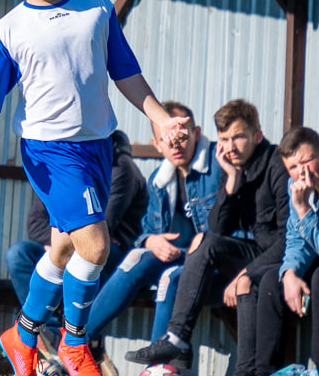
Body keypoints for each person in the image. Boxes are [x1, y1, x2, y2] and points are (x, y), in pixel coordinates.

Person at [0, 0, 186, 376]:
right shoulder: (6, 33)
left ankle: (22, 337)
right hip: (50, 152)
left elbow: (124, 71)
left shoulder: (96, 7)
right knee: (95, 244)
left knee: (64, 248)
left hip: (99, 148)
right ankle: (73, 343)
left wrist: (159, 117)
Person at [125, 99, 289, 374]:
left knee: (242, 279)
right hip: (253, 252)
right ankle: (176, 337)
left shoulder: (276, 166)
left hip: (277, 259)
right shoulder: (236, 167)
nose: (230, 146)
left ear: (257, 136)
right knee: (205, 241)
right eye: (225, 139)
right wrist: (232, 180)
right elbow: (218, 229)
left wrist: (245, 273)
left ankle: (246, 375)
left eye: (239, 137)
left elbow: (287, 239)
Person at [84, 101, 221, 350]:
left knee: (170, 277)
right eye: (166, 139)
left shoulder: (217, 166)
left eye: (180, 136)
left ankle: (158, 367)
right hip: (178, 256)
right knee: (138, 255)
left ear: (197, 133)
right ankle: (75, 341)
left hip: (213, 262)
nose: (174, 145)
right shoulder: (159, 180)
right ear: (156, 144)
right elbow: (146, 227)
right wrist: (150, 240)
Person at [5, 130, 147, 306]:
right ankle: (49, 329)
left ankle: (79, 329)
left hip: (109, 252)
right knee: (18, 254)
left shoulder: (120, 167)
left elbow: (101, 228)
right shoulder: (62, 163)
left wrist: (63, 239)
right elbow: (35, 225)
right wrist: (59, 242)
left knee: (94, 253)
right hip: (60, 243)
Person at [239, 126, 319, 376]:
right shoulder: (294, 186)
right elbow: (295, 239)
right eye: (294, 167)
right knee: (271, 281)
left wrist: (303, 209)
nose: (303, 172)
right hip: (312, 260)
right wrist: (289, 272)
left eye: (307, 160)